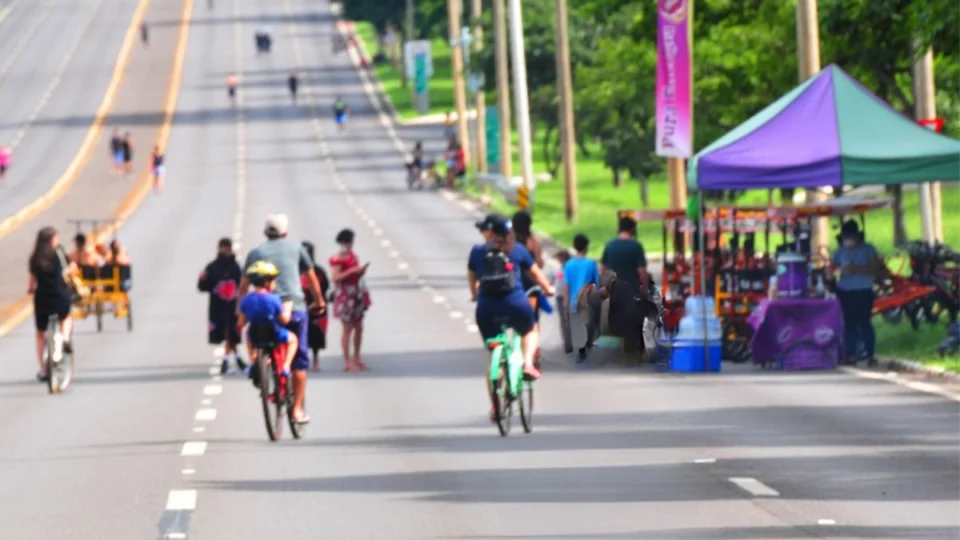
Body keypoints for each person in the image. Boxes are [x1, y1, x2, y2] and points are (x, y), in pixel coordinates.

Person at [238, 214, 324, 424]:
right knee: (299, 363)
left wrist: (242, 310)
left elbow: (242, 286)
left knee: (258, 336)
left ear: (265, 233)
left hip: (261, 313)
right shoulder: (297, 249)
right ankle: (296, 411)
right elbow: (311, 279)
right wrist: (319, 302)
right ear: (285, 233)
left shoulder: (256, 253)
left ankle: (261, 360)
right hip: (294, 308)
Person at [468, 215, 555, 418]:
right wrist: (548, 288)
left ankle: (495, 407)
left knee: (492, 355)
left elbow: (472, 277)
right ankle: (527, 363)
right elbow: (536, 273)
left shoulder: (478, 252)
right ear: (509, 232)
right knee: (530, 329)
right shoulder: (517, 250)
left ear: (488, 232)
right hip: (515, 304)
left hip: (486, 308)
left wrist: (474, 294)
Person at [27, 227, 77, 382]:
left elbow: (32, 283)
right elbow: (70, 270)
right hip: (60, 296)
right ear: (51, 240)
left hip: (42, 299)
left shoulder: (35, 258)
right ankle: (65, 338)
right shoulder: (59, 254)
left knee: (40, 334)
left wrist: (30, 289)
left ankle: (43, 369)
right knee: (66, 317)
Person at [831, 220, 881, 366]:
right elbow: (833, 265)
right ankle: (850, 353)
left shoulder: (868, 250)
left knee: (865, 322)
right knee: (849, 323)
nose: (848, 240)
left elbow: (873, 270)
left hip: (862, 290)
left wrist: (856, 268)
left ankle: (870, 354)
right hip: (844, 290)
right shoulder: (841, 251)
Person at [238, 261, 299, 380]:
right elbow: (284, 320)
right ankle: (286, 366)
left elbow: (241, 323)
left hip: (255, 335)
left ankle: (253, 359)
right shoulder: (274, 299)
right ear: (267, 282)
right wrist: (288, 309)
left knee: (247, 334)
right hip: (274, 334)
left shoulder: (246, 300)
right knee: (293, 340)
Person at [198, 238, 246, 374]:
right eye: (223, 248)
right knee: (225, 334)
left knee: (232, 334)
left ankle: (230, 360)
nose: (225, 250)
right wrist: (202, 280)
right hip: (218, 307)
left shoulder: (236, 266)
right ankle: (233, 359)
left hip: (233, 306)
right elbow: (204, 287)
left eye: (227, 248)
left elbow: (242, 285)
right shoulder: (212, 267)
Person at [329, 229, 371, 372]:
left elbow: (356, 274)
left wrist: (360, 272)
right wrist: (351, 272)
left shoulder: (353, 256)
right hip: (345, 294)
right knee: (347, 328)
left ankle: (357, 357)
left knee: (359, 327)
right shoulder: (338, 258)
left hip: (356, 293)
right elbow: (335, 277)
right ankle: (347, 361)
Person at [563, 234, 600, 362]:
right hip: (587, 299)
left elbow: (566, 285)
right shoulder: (591, 264)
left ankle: (581, 349)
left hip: (574, 300)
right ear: (586, 247)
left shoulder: (568, 265)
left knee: (577, 324)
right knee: (589, 322)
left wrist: (566, 302)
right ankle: (588, 343)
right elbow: (597, 282)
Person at [301, 241, 330, 372]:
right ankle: (303, 358)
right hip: (301, 306)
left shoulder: (318, 271)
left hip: (317, 307)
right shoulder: (296, 271)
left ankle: (315, 360)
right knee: (300, 333)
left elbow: (325, 286)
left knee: (317, 335)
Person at [600, 216, 649, 290]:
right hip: (631, 290)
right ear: (632, 229)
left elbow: (603, 269)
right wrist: (645, 288)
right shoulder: (636, 246)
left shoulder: (609, 245)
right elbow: (641, 272)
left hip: (613, 290)